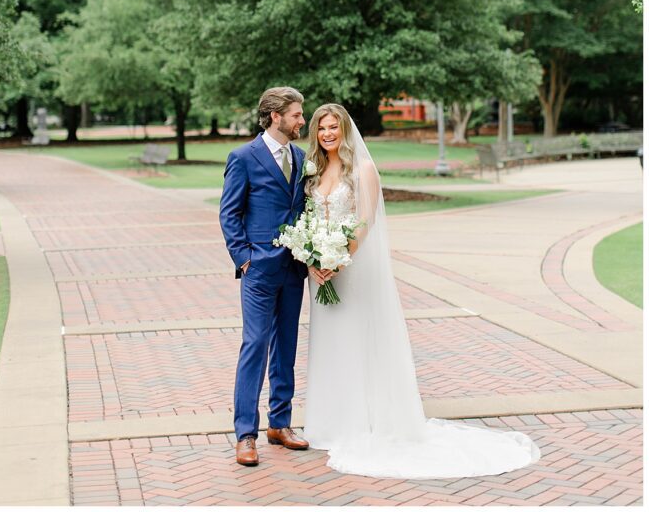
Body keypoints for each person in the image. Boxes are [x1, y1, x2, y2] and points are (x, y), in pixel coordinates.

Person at [303, 102, 541, 479]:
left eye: (334, 127)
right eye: (321, 128)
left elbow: (365, 222)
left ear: (346, 130)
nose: (328, 134)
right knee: (329, 342)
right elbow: (310, 219)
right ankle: (329, 423)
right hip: (321, 276)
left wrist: (338, 258)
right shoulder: (313, 171)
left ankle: (362, 423)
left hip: (352, 269)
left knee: (357, 340)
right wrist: (313, 259)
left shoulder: (363, 169)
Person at [219, 86, 310, 467]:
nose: (302, 120)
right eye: (296, 115)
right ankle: (245, 434)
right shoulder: (243, 157)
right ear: (275, 116)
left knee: (286, 346)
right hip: (258, 269)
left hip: (293, 268)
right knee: (255, 345)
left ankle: (280, 423)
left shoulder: (303, 157)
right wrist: (244, 259)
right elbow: (229, 213)